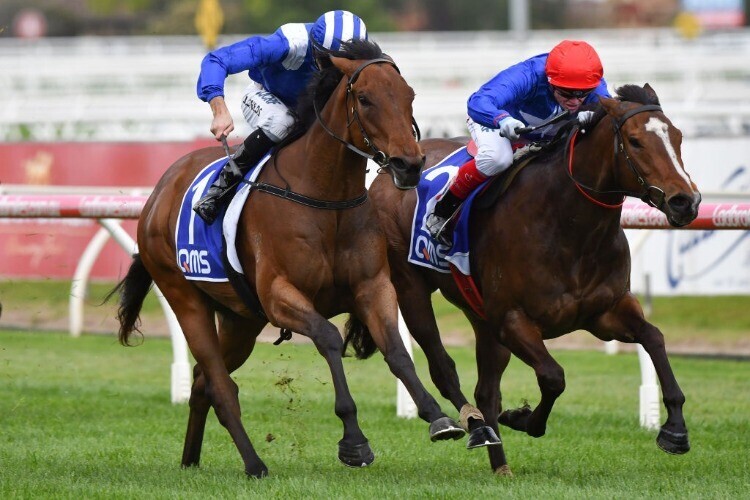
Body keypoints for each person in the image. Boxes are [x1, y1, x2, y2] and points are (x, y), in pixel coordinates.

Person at [426, 39, 611, 244]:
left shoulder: (591, 82)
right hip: (495, 121)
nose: (575, 102)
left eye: (582, 95)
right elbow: (478, 101)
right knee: (497, 159)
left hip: (541, 132)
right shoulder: (527, 75)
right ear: (550, 81)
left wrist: (596, 114)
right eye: (566, 93)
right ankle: (442, 210)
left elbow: (612, 113)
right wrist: (501, 119)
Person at [193, 10, 368, 224]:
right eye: (329, 62)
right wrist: (219, 110)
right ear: (315, 48)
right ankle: (219, 190)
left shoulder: (363, 53)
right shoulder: (287, 43)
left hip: (312, 107)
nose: (336, 72)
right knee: (282, 122)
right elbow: (216, 59)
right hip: (267, 95)